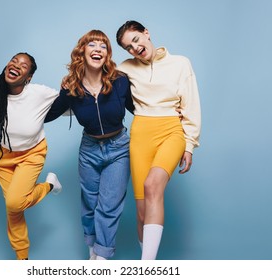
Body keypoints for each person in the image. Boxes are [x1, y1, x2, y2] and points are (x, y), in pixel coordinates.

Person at [45, 30, 135, 260]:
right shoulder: (71, 88)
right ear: (82, 52)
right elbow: (47, 114)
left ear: (107, 54)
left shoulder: (120, 81)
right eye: (92, 45)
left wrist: (170, 113)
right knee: (89, 204)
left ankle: (101, 260)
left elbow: (139, 108)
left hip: (119, 148)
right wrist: (15, 102)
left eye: (103, 46)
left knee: (109, 207)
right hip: (89, 150)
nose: (97, 49)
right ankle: (92, 251)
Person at [116, 20, 201, 260]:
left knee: (153, 186)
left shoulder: (180, 64)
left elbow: (191, 104)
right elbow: (99, 89)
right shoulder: (125, 68)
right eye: (128, 48)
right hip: (141, 133)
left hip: (171, 131)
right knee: (142, 212)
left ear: (146, 33)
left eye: (136, 40)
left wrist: (190, 144)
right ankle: (148, 260)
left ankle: (147, 268)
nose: (135, 48)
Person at [0, 52, 62, 260]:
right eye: (14, 61)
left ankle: (49, 186)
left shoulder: (38, 93)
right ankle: (23, 259)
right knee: (14, 210)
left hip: (31, 154)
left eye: (24, 65)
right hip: (1, 157)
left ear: (28, 77)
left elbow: (65, 105)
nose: (16, 65)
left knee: (14, 203)